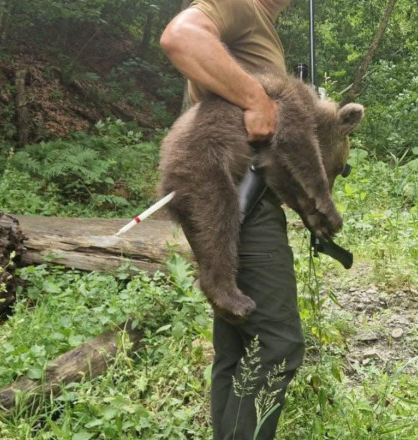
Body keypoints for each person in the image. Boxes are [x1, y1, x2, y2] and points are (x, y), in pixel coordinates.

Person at [160, 1, 303, 439]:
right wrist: (256, 98)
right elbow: (180, 36)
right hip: (240, 198)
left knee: (238, 345)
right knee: (278, 344)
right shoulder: (241, 3)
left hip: (238, 193)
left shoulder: (261, 22)